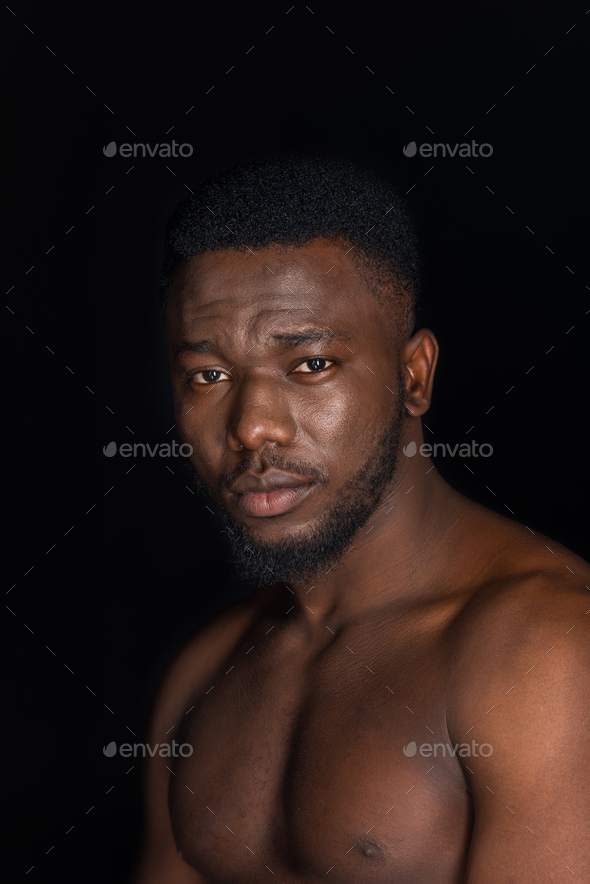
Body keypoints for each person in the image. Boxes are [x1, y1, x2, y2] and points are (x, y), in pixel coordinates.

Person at [132, 156, 590, 883]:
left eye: (310, 364)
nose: (252, 427)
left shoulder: (547, 656)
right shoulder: (206, 671)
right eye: (209, 376)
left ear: (414, 375)